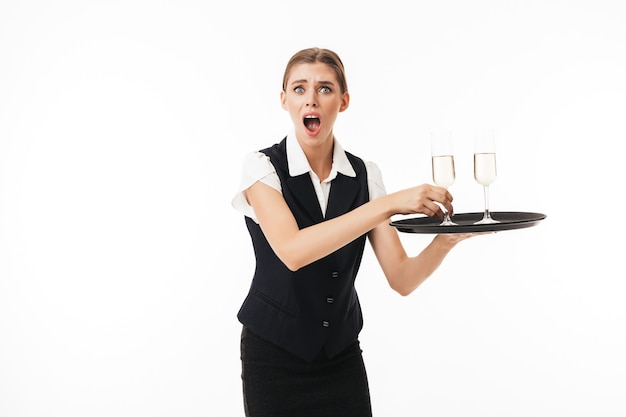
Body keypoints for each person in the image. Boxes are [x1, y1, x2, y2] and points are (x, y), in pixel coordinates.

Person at [231, 47, 479, 417]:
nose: (311, 99)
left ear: (343, 101)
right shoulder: (262, 167)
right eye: (299, 89)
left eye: (325, 89)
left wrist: (446, 240)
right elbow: (293, 251)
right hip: (273, 358)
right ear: (284, 100)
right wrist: (387, 204)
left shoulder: (365, 175)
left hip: (340, 356)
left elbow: (402, 277)